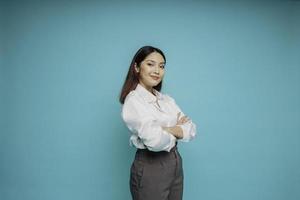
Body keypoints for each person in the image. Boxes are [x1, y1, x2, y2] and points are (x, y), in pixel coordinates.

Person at [119, 45, 197, 200]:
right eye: (150, 64)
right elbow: (154, 141)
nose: (157, 71)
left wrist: (165, 129)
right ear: (136, 67)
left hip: (175, 163)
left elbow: (191, 129)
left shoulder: (166, 99)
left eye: (161, 66)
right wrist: (176, 129)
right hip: (151, 166)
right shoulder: (134, 100)